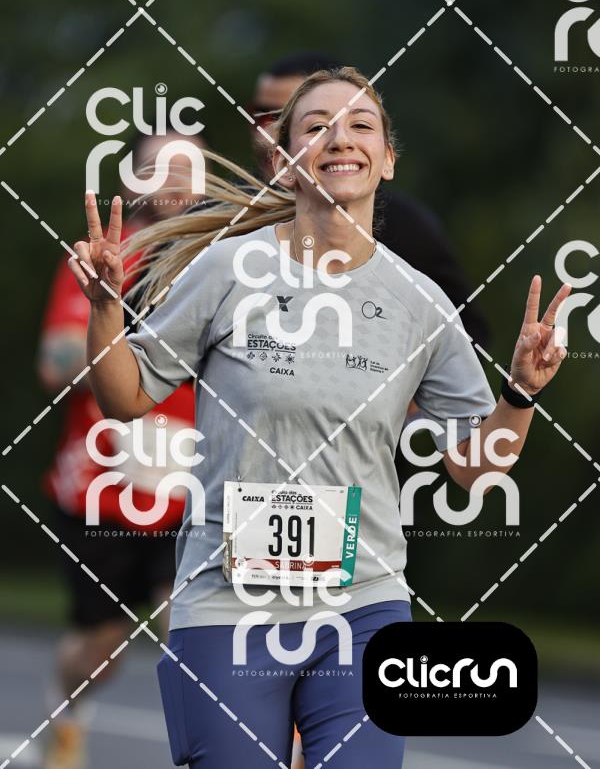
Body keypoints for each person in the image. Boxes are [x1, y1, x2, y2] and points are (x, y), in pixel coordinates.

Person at [68, 67, 569, 768]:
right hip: (227, 603)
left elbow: (474, 470)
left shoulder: (420, 303)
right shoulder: (227, 269)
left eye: (362, 125)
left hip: (363, 606)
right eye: (317, 126)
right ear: (284, 160)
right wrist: (104, 309)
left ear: (387, 159)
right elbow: (125, 398)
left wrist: (520, 393)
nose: (341, 138)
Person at [38, 129, 203, 769]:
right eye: (160, 168)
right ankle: (66, 711)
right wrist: (124, 355)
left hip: (193, 483)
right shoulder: (101, 257)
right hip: (106, 483)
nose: (175, 181)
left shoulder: (222, 260)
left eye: (188, 167)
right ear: (133, 181)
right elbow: (54, 360)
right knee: (101, 647)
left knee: (190, 622)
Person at [250, 51, 490, 348]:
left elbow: (465, 338)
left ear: (388, 157)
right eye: (262, 116)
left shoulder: (405, 229)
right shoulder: (226, 244)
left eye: (285, 114)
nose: (268, 132)